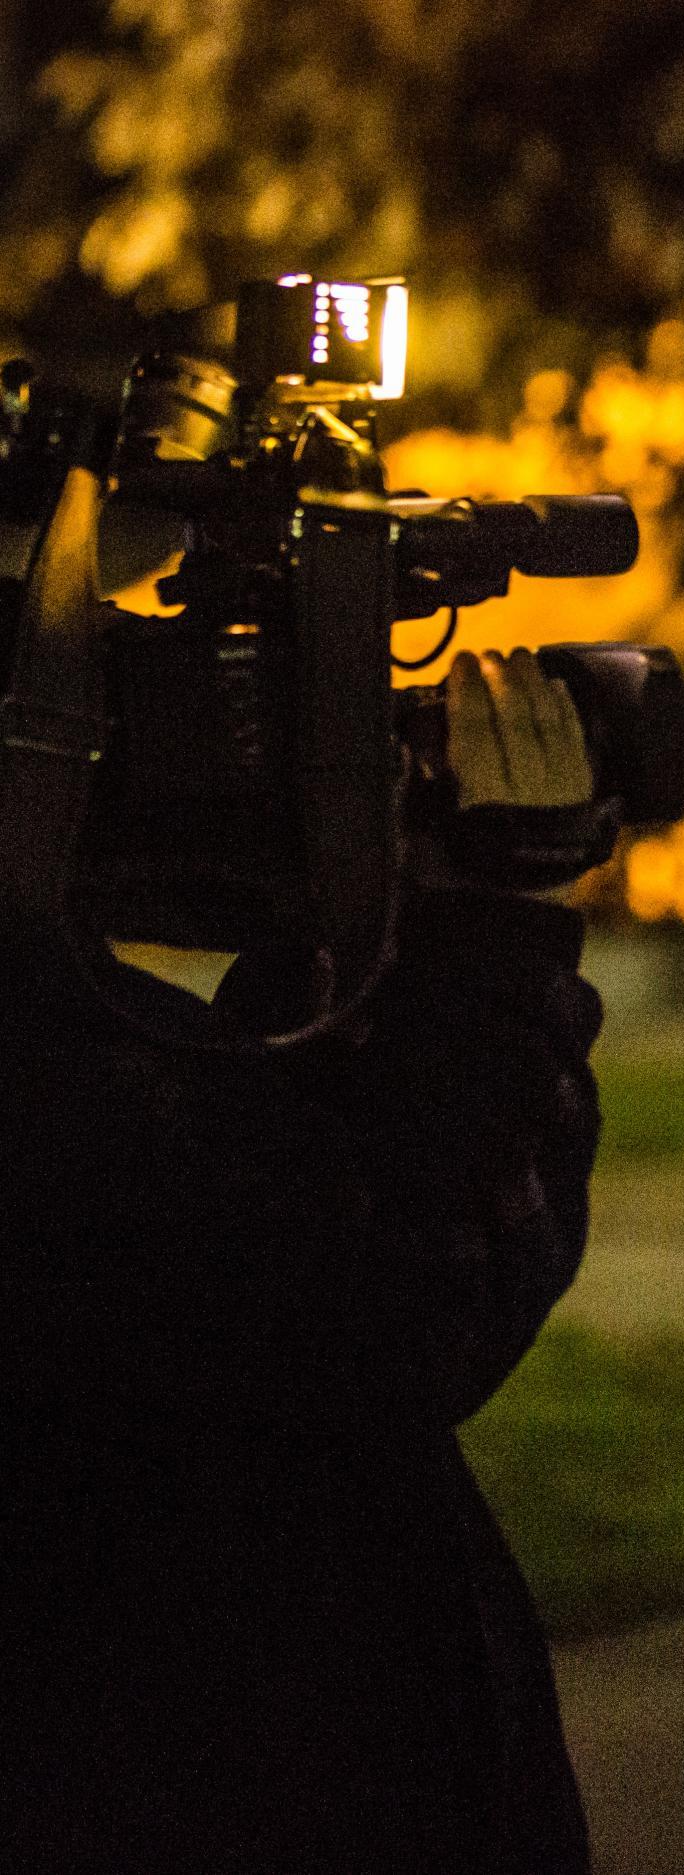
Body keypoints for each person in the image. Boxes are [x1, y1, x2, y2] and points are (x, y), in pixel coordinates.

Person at [0, 649, 604, 1873]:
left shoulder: (84, 1063)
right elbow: (406, 1297)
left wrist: (332, 971)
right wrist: (492, 943)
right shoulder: (55, 1090)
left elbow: (276, 1212)